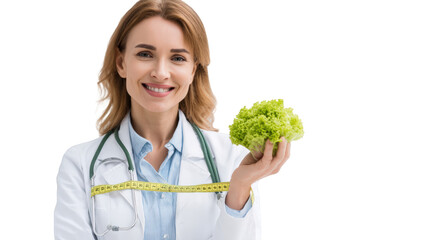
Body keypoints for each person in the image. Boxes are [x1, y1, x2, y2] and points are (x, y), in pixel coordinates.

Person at [54, 0, 291, 239]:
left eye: (177, 58)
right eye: (145, 54)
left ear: (193, 70)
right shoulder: (80, 165)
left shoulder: (231, 159)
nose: (160, 72)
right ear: (121, 62)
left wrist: (238, 188)